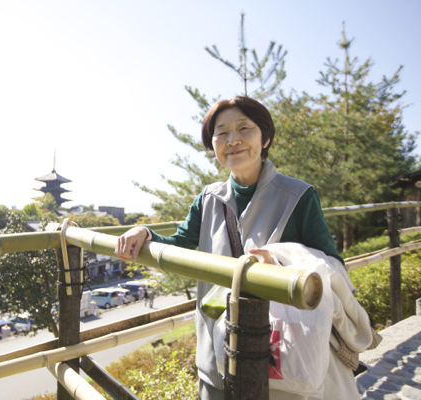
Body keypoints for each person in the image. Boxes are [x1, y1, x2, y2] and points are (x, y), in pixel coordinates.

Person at [115, 96, 374, 400]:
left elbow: (334, 267)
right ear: (213, 145)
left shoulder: (299, 196)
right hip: (217, 344)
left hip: (284, 351)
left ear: (265, 138)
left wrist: (280, 260)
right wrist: (143, 232)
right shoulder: (209, 198)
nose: (233, 140)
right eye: (221, 133)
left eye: (244, 129)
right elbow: (178, 243)